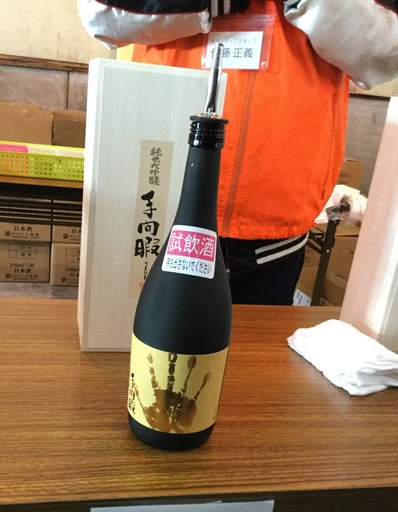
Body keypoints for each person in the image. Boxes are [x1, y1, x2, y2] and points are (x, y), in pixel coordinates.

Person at [78, 0, 398, 304]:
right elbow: (98, 14)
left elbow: (387, 49)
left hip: (276, 220)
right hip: (157, 201)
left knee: (255, 340)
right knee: (141, 337)